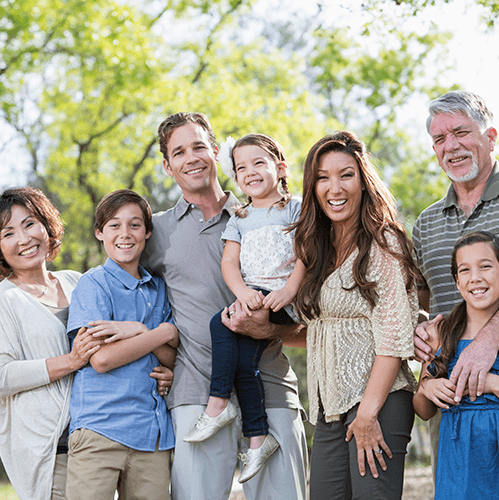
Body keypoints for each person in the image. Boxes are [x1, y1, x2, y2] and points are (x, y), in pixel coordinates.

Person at [141, 112, 308, 500]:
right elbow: (132, 296)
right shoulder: (157, 231)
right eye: (179, 152)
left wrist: (272, 330)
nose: (192, 157)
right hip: (197, 392)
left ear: (216, 152)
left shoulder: (272, 215)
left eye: (199, 146)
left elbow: (315, 321)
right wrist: (155, 358)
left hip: (269, 383)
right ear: (168, 166)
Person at [293, 131, 420, 499]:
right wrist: (264, 330)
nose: (335, 187)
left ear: (364, 181)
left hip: (378, 402)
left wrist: (367, 414)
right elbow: (318, 329)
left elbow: (395, 336)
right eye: (323, 177)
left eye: (346, 174)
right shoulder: (315, 249)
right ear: (312, 186)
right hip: (329, 407)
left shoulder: (384, 243)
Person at [182, 133, 305, 484]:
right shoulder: (240, 216)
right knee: (242, 361)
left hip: (283, 301)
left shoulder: (295, 208)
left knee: (223, 330)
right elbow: (229, 264)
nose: (249, 172)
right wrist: (241, 292)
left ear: (279, 168)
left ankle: (218, 406)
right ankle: (256, 440)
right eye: (240, 168)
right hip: (253, 297)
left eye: (258, 163)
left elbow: (307, 255)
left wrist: (289, 290)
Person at [65, 189, 178, 500]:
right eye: (114, 225)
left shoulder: (159, 288)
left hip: (152, 435)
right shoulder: (94, 284)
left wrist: (141, 332)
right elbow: (101, 359)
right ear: (100, 233)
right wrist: (159, 331)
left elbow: (169, 359)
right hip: (100, 429)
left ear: (148, 232)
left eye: (135, 225)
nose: (124, 234)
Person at [412, 90, 499, 476]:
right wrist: (420, 334)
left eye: (461, 132)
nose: (451, 146)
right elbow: (421, 298)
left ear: (491, 136)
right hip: (450, 398)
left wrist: (488, 342)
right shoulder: (425, 223)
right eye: (439, 139)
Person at [0, 187, 103, 500]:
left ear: (47, 225)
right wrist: (70, 361)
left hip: (100, 440)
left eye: (29, 224)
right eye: (8, 232)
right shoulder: (5, 300)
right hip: (49, 450)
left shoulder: (77, 281)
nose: (23, 239)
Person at [413, 231, 499, 499]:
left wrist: (490, 383)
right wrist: (429, 388)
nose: (475, 277)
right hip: (457, 462)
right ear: (457, 282)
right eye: (465, 270)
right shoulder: (441, 331)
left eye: (485, 266)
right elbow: (423, 410)